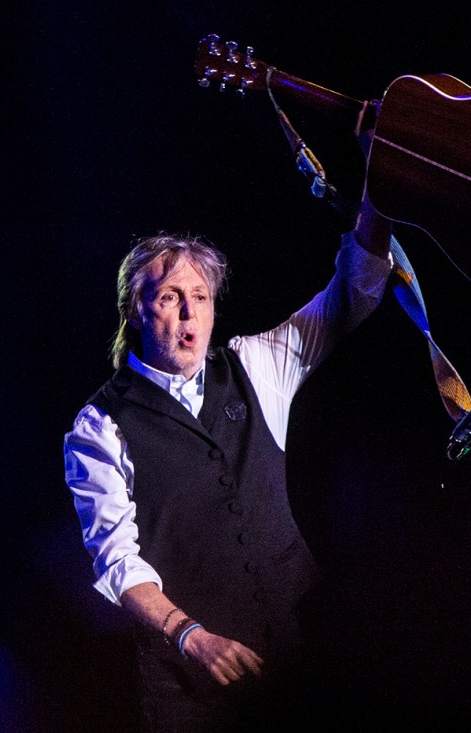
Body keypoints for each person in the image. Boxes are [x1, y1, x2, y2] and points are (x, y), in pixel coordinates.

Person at [62, 172, 393, 732]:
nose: (190, 314)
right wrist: (191, 636)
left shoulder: (255, 365)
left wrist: (384, 186)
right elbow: (117, 559)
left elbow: (352, 292)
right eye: (170, 298)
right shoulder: (99, 426)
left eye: (200, 297)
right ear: (136, 312)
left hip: (300, 654)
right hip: (191, 691)